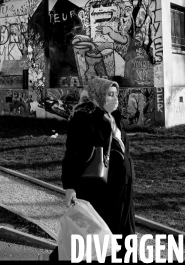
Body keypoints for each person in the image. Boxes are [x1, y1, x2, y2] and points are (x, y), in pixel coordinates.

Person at [45, 77, 136, 261]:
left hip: (123, 187)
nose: (114, 98)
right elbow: (73, 154)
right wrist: (70, 186)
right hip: (100, 188)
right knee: (96, 233)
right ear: (98, 95)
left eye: (116, 94)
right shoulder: (84, 119)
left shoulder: (114, 117)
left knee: (122, 232)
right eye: (110, 94)